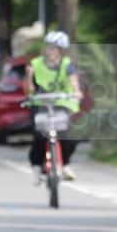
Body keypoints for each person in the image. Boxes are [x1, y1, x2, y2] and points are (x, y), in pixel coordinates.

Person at [25, 31, 82, 183]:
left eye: (55, 48)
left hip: (61, 103)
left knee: (68, 135)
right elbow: (28, 91)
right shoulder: (35, 64)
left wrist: (76, 92)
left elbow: (73, 81)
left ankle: (65, 165)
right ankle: (37, 167)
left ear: (61, 51)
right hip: (40, 104)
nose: (51, 51)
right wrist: (29, 77)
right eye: (49, 48)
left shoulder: (66, 64)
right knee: (39, 137)